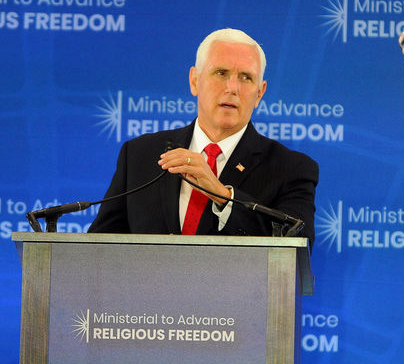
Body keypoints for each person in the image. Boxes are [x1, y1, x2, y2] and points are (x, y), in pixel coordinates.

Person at [88, 28, 318, 244]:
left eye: (246, 77)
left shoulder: (290, 169)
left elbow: (297, 244)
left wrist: (224, 197)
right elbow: (99, 247)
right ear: (194, 81)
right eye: (221, 73)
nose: (232, 88)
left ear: (260, 93)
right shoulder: (140, 154)